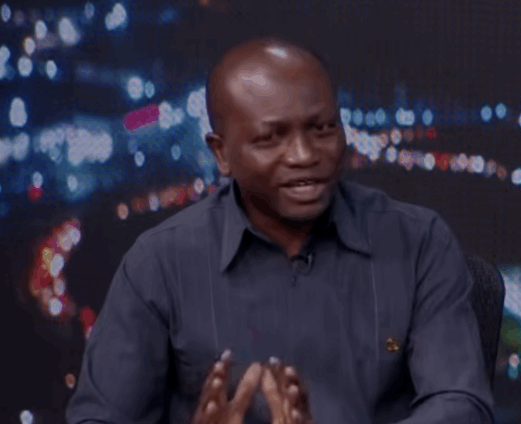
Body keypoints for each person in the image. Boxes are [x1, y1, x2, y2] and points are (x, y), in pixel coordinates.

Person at [66, 36, 495, 424]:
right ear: (221, 153)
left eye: (323, 128)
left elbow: (461, 404)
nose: (305, 155)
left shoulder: (419, 241)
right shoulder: (158, 264)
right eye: (271, 138)